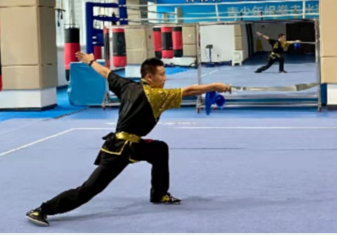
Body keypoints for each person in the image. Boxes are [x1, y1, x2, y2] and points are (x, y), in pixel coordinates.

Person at [26, 55, 232, 227]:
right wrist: (216, 86)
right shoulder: (156, 96)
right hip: (119, 150)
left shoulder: (127, 85)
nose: (165, 78)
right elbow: (189, 91)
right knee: (89, 189)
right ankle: (42, 210)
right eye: (162, 75)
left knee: (159, 149)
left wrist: (90, 61)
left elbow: (106, 72)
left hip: (132, 144)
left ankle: (159, 194)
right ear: (149, 77)